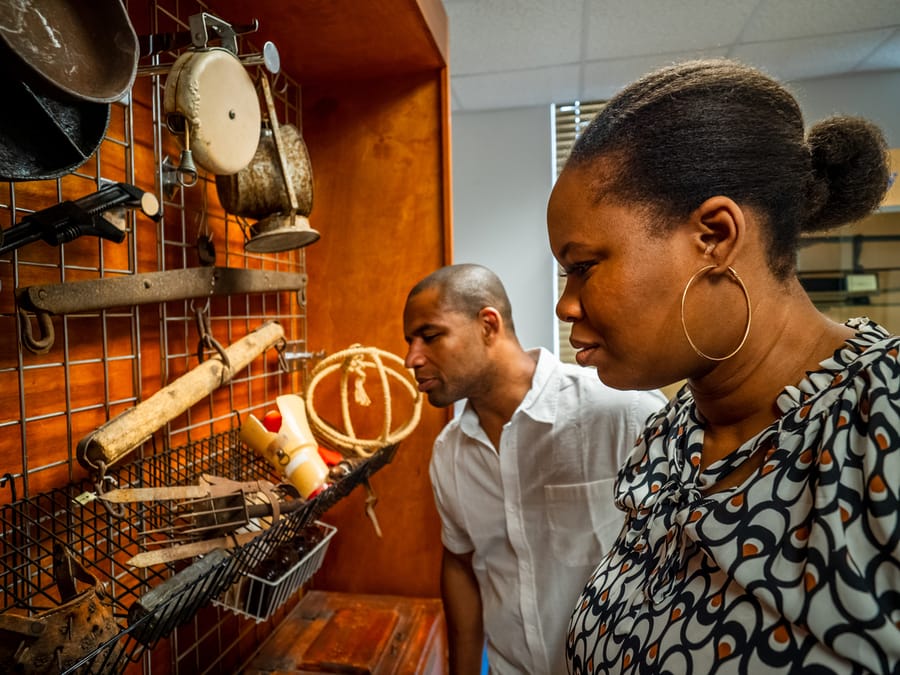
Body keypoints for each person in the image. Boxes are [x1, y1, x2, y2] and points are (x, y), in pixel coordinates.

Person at [547, 58, 898, 674]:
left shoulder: (884, 417)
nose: (565, 303)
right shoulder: (669, 436)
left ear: (714, 235)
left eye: (583, 266)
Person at [402, 263, 666, 675]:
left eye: (430, 336)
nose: (411, 358)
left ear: (488, 325)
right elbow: (460, 562)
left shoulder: (623, 413)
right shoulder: (450, 454)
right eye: (410, 342)